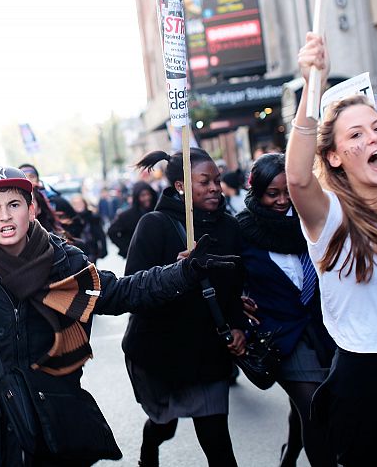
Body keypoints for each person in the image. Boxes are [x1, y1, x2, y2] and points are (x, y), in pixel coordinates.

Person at [0, 166, 239, 466]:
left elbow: (121, 292)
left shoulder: (64, 260)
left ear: (31, 208)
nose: (5, 216)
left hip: (57, 424)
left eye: (14, 204)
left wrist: (183, 272)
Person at [286, 33, 377, 466]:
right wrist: (312, 85)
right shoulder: (330, 215)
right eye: (356, 134)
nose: (373, 138)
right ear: (336, 156)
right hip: (366, 377)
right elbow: (299, 180)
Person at [122, 149, 246, 467]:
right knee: (165, 426)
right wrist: (175, 273)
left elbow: (234, 288)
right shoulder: (153, 225)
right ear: (180, 186)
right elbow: (133, 289)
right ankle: (150, 448)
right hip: (160, 354)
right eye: (204, 181)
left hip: (208, 353)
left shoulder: (229, 228)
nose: (215, 188)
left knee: (219, 444)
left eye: (217, 181)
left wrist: (236, 326)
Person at [236, 153, 336, 467]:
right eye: (272, 194)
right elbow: (225, 276)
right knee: (314, 410)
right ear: (257, 192)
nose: (282, 201)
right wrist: (236, 297)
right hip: (278, 336)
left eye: (287, 193)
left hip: (324, 330)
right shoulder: (239, 231)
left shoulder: (312, 219)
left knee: (303, 408)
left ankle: (289, 456)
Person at [108, 181, 157, 258]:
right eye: (143, 195)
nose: (147, 198)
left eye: (148, 194)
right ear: (137, 197)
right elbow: (112, 232)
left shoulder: (157, 211)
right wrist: (127, 249)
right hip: (137, 257)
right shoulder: (127, 215)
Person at [67, 194, 108, 264]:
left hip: (92, 249)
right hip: (77, 251)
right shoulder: (70, 220)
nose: (78, 205)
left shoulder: (93, 217)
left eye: (80, 203)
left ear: (84, 203)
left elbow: (101, 234)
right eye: (75, 204)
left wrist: (104, 249)